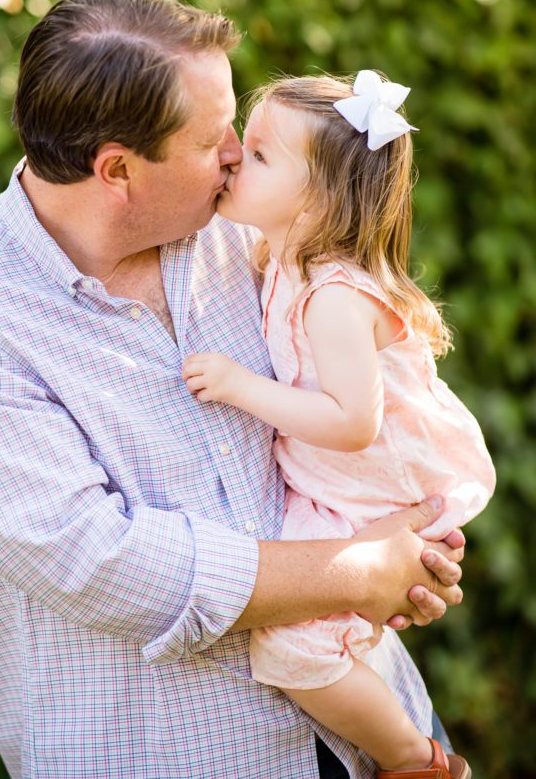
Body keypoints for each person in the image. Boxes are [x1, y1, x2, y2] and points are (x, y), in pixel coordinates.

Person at [0, 0, 464, 779]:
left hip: (370, 734)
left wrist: (408, 530)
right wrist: (357, 568)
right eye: (212, 136)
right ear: (117, 169)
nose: (234, 151)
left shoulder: (241, 229)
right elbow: (101, 563)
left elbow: (366, 383)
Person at [183, 72, 495, 779]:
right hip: (341, 485)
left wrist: (240, 388)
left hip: (371, 485)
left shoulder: (332, 297)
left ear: (318, 199)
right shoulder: (280, 257)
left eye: (260, 155)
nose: (234, 156)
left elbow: (355, 423)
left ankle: (414, 761)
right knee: (315, 634)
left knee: (294, 652)